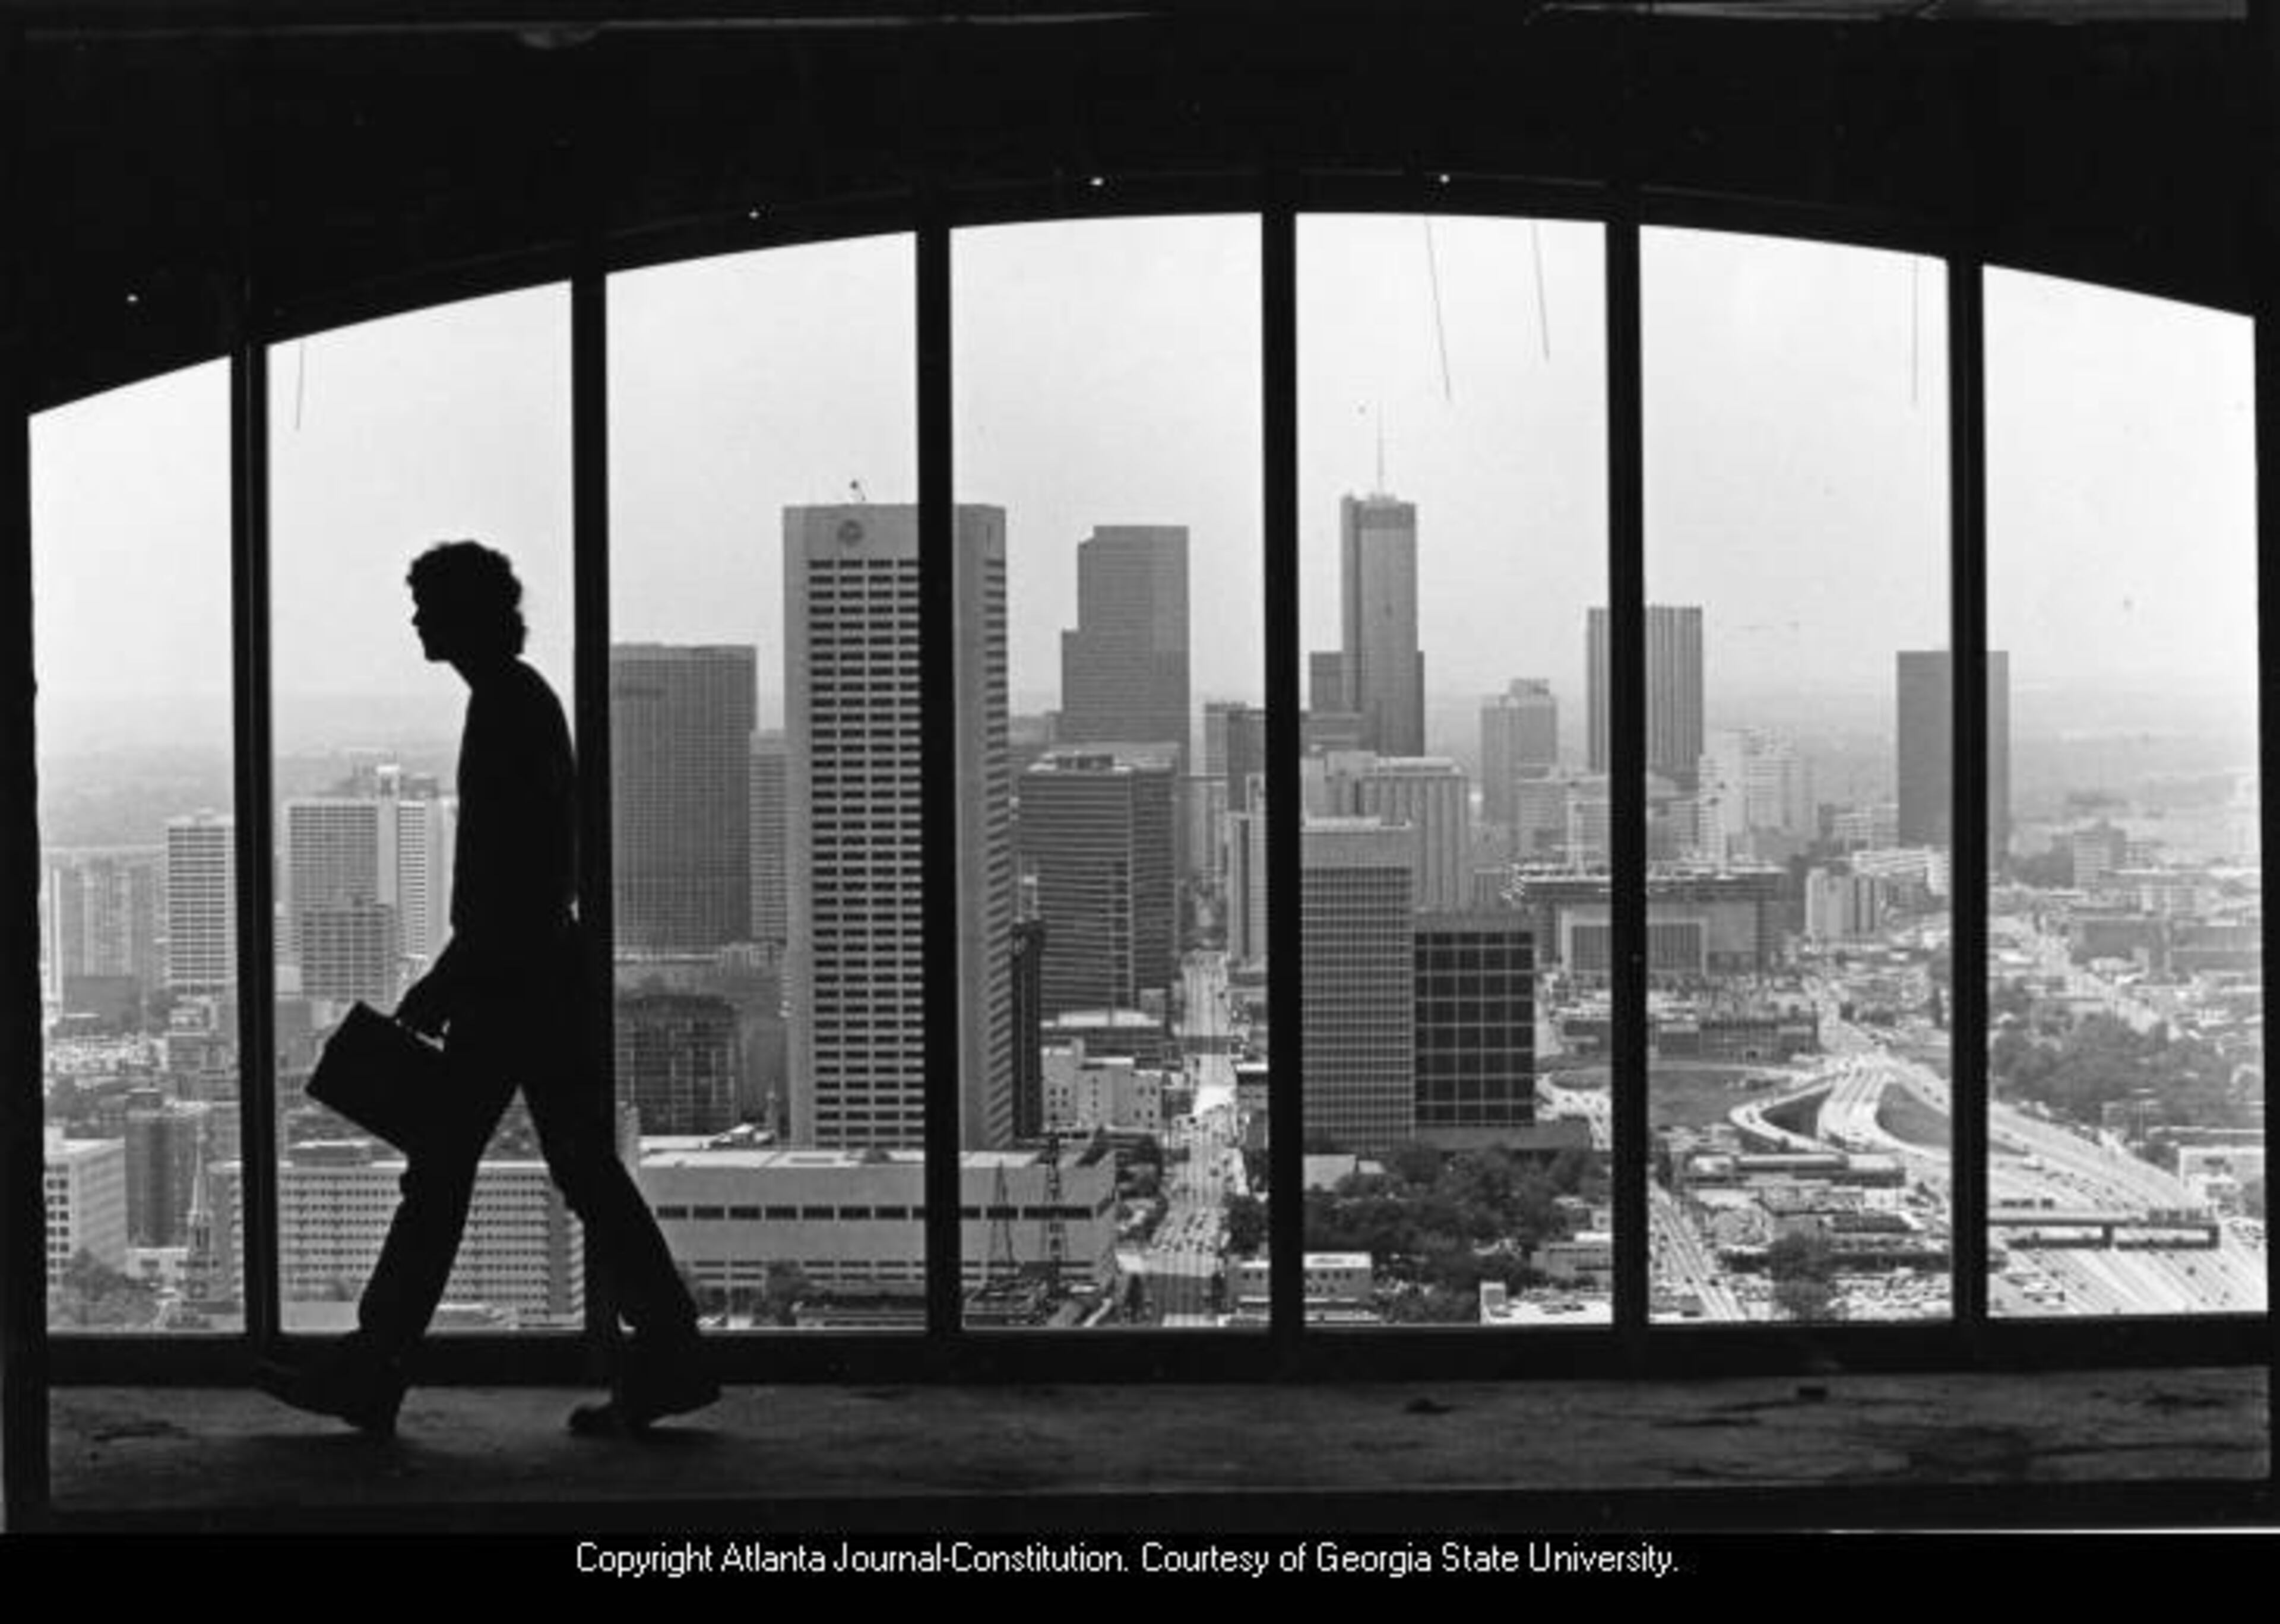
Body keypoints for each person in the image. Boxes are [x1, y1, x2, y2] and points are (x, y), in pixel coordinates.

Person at [259, 540, 717, 1439]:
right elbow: (535, 871)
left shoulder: (505, 707)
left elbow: (516, 874)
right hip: (535, 973)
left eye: (429, 604)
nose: (418, 620)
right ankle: (667, 1351)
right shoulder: (519, 700)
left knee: (445, 1175)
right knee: (571, 1167)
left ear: (467, 613)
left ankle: (376, 1366)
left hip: (513, 982)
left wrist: (456, 974)